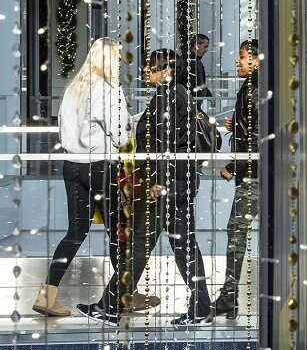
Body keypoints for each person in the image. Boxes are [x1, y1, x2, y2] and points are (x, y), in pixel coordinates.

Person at [78, 49, 212, 326]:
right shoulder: (177, 94)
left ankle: (111, 306)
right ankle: (200, 307)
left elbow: (163, 144)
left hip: (166, 185)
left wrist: (156, 182)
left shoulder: (167, 97)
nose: (145, 71)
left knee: (140, 244)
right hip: (178, 182)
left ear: (167, 71)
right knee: (182, 245)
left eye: (151, 67)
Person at [33, 38, 158, 316]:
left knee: (75, 233)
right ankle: (125, 294)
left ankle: (46, 296)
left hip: (72, 166)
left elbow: (65, 129)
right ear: (111, 60)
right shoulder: (108, 90)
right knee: (120, 232)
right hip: (101, 167)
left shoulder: (73, 89)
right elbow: (121, 133)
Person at [213, 39, 260, 318]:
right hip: (255, 172)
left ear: (256, 60)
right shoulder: (251, 88)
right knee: (238, 232)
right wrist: (238, 122)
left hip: (255, 176)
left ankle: (229, 295)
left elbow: (256, 139)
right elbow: (251, 132)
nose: (238, 61)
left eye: (242, 57)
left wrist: (237, 165)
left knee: (236, 232)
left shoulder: (254, 90)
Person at [178, 33, 212, 109]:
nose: (206, 50)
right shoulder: (186, 60)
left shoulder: (194, 60)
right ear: (196, 45)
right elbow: (178, 80)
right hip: (189, 103)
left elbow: (200, 82)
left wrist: (209, 95)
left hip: (193, 102)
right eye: (205, 47)